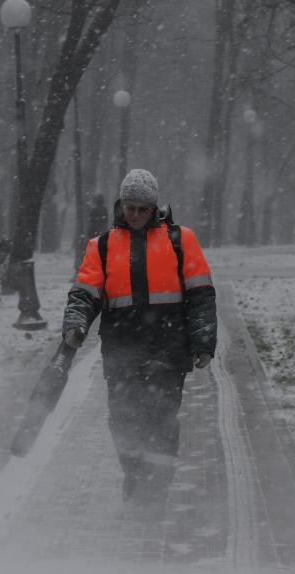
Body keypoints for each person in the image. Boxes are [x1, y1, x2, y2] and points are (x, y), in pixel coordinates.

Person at [61, 169, 217, 503]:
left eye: (141, 209)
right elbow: (84, 295)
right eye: (129, 207)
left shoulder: (180, 240)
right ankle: (133, 473)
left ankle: (157, 484)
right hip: (121, 349)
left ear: (153, 208)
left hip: (169, 347)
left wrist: (204, 341)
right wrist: (76, 324)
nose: (134, 215)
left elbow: (201, 294)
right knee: (123, 421)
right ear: (121, 205)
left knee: (161, 419)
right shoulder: (101, 246)